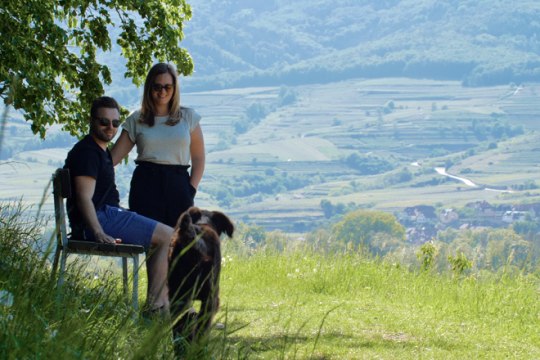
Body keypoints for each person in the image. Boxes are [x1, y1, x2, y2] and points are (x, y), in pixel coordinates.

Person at [64, 96, 173, 313]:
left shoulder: (99, 151)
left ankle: (160, 304)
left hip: (106, 215)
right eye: (104, 122)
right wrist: (97, 232)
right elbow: (84, 197)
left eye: (115, 123)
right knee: (168, 235)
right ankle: (156, 307)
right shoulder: (88, 153)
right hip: (100, 219)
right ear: (91, 121)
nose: (110, 127)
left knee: (161, 237)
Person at [111, 63, 205, 227]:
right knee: (151, 242)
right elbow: (112, 159)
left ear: (175, 88)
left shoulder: (188, 117)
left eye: (168, 87)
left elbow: (198, 158)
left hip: (179, 187)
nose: (162, 92)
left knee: (178, 245)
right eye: (157, 87)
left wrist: (191, 190)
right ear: (149, 88)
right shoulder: (137, 119)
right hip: (146, 186)